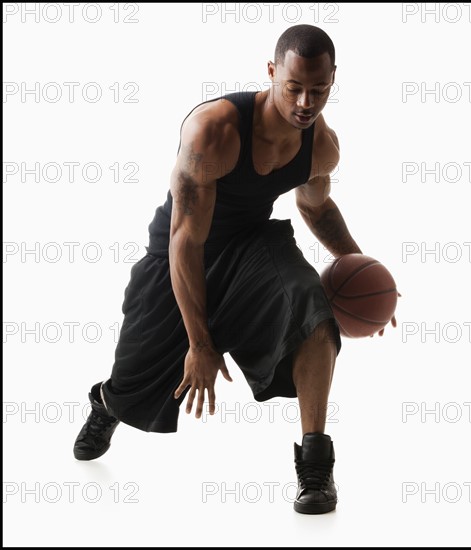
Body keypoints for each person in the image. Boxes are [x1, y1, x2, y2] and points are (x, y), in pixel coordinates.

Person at [73, 24, 395, 515]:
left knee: (312, 308)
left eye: (319, 89)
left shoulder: (321, 145)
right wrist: (200, 344)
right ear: (271, 73)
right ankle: (109, 404)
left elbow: (318, 209)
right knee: (133, 382)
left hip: (251, 247)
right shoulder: (215, 130)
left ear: (333, 80)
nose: (306, 101)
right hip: (177, 258)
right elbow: (186, 241)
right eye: (294, 88)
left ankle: (315, 466)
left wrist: (360, 266)